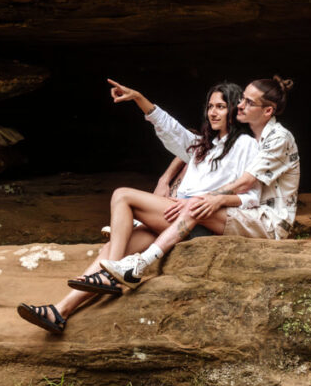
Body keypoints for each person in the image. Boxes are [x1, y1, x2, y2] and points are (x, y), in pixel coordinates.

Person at [17, 79, 259, 334]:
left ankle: (108, 275)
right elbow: (170, 127)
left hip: (197, 222)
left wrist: (197, 201)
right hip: (170, 219)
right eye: (210, 106)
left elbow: (252, 192)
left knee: (123, 195)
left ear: (234, 109)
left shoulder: (247, 145)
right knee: (114, 247)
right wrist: (139, 99)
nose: (213, 112)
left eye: (221, 106)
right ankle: (60, 311)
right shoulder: (203, 145)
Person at [100, 76, 300, 288]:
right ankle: (127, 262)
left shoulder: (275, 138)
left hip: (268, 221)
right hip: (244, 212)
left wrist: (211, 197)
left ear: (268, 111)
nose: (240, 105)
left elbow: (245, 183)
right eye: (240, 100)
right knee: (191, 201)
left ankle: (139, 263)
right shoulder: (237, 140)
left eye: (248, 102)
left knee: (193, 203)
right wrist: (140, 99)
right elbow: (175, 132)